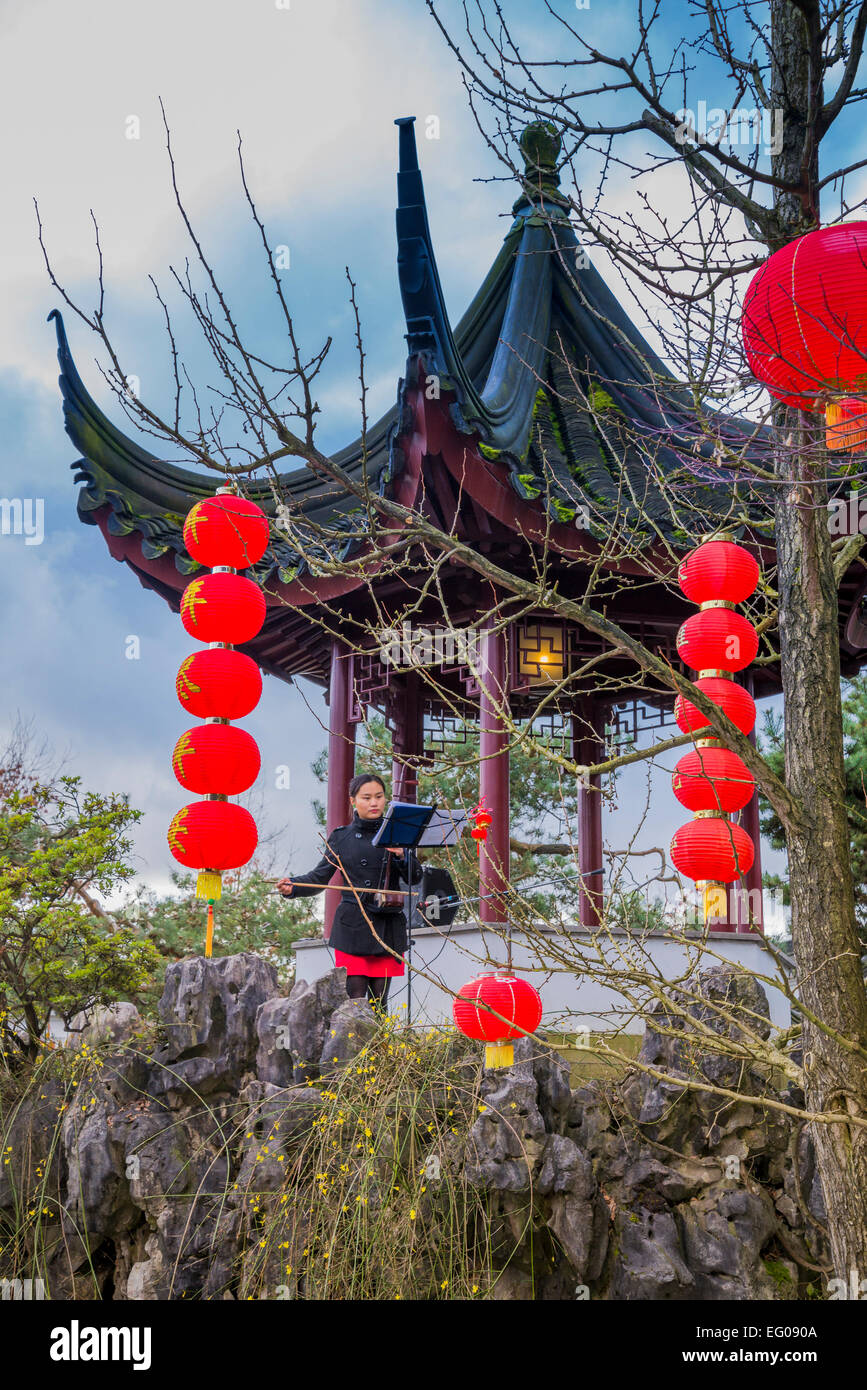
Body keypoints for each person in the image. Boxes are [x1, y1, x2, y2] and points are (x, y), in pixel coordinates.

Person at [275, 773, 421, 1010]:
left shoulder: (397, 833)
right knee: (355, 1001)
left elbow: (415, 878)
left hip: (386, 926)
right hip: (353, 926)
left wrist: (403, 855)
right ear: (353, 801)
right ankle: (355, 1046)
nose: (374, 803)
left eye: (379, 796)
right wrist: (293, 886)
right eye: (366, 798)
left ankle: (379, 1048)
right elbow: (319, 877)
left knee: (379, 1003)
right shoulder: (341, 837)